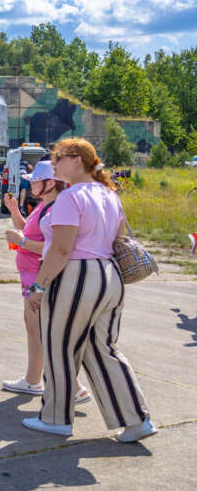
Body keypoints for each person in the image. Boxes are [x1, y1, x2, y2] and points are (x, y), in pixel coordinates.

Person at [22, 137, 155, 442]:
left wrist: (39, 285)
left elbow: (62, 249)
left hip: (77, 277)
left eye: (58, 158)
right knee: (102, 349)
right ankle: (136, 420)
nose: (54, 165)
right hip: (110, 277)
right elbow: (117, 239)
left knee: (60, 347)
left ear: (77, 160)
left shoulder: (70, 197)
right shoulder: (109, 194)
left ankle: (56, 418)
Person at [1, 161, 88, 403]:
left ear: (50, 183)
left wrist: (22, 242)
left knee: (41, 330)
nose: (31, 185)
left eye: (35, 181)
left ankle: (74, 388)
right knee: (35, 328)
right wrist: (14, 211)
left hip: (38, 275)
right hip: (31, 274)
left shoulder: (55, 209)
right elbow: (27, 231)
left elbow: (55, 248)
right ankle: (32, 379)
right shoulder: (44, 206)